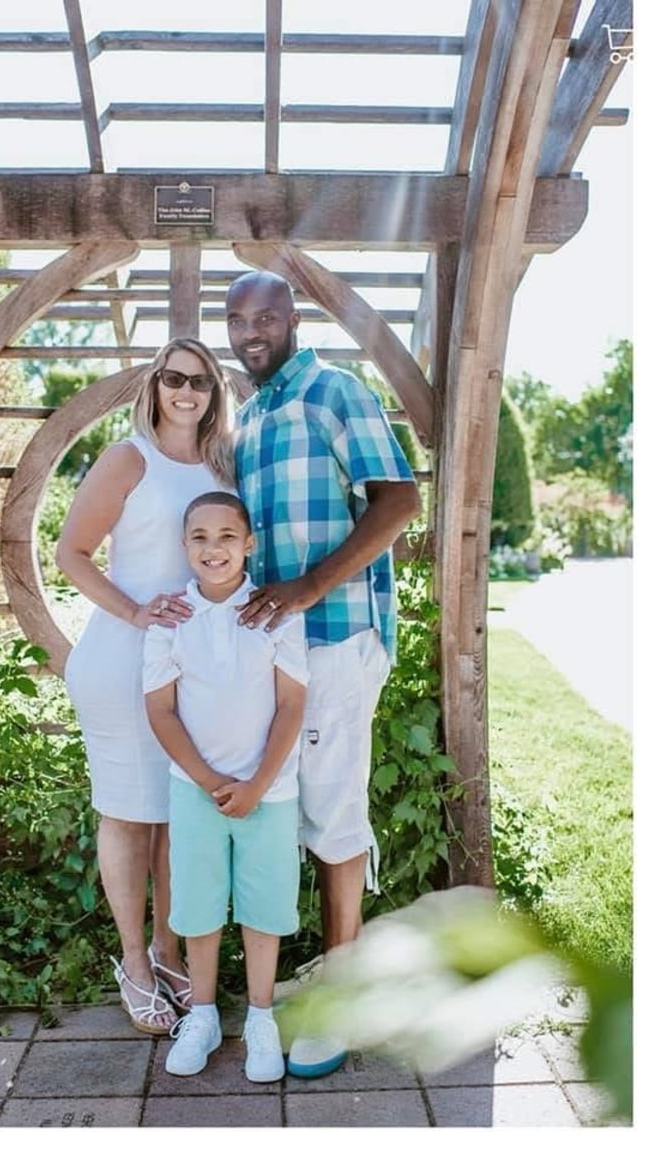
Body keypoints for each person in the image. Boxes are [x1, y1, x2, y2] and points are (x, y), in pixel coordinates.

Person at [225, 269, 423, 1078]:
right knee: (294, 802)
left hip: (337, 635)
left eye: (266, 315)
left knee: (334, 804)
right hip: (278, 649)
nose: (251, 331)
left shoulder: (333, 391)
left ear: (293, 317)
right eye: (237, 319)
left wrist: (308, 586)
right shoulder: (246, 416)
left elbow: (399, 499)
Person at [56, 337, 235, 1035]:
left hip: (188, 668)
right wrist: (134, 610)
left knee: (173, 816)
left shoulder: (220, 463)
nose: (186, 391)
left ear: (214, 391)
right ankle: (132, 960)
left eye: (200, 380)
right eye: (173, 377)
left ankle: (167, 949)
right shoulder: (131, 456)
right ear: (155, 384)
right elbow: (69, 550)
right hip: (123, 660)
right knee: (129, 814)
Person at [144, 491, 308, 1082]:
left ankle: (261, 1017)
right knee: (199, 904)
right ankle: (205, 1014)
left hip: (270, 790)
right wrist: (212, 781)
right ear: (185, 545)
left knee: (264, 904)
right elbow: (161, 710)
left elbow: (292, 703)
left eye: (226, 536)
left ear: (249, 543)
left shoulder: (277, 613)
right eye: (200, 537)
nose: (214, 549)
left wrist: (258, 783)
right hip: (197, 791)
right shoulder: (171, 620)